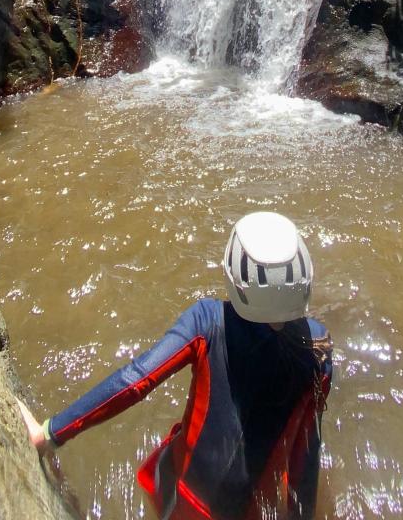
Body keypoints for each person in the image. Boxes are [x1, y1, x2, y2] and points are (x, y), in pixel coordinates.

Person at [18, 211, 333, 520]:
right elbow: (306, 452)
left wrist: (50, 433)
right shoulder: (318, 347)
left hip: (183, 497)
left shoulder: (208, 321)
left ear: (235, 278)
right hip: (246, 510)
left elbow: (136, 380)